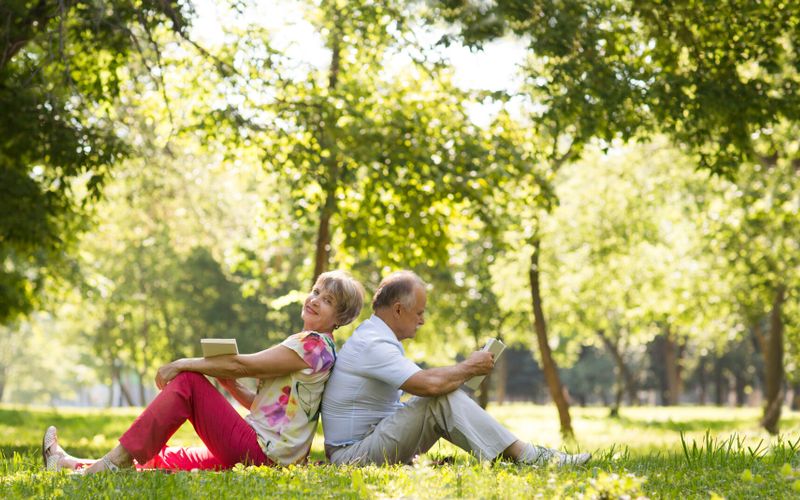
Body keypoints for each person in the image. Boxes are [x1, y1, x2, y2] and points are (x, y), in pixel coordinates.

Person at [42, 270, 364, 473]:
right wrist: (230, 384)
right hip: (267, 452)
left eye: (328, 300)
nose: (315, 300)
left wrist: (183, 363)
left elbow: (243, 364)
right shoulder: (315, 346)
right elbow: (265, 408)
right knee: (173, 460)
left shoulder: (313, 345)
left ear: (340, 317)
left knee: (188, 383)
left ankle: (111, 464)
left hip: (263, 454)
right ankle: (70, 464)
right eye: (316, 291)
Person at [321, 270, 590, 467]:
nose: (423, 321)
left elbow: (427, 383)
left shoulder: (376, 337)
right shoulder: (373, 343)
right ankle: (528, 456)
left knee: (438, 397)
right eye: (420, 313)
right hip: (351, 457)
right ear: (399, 310)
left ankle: (518, 454)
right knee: (437, 399)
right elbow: (426, 385)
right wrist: (468, 368)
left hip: (364, 445)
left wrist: (464, 371)